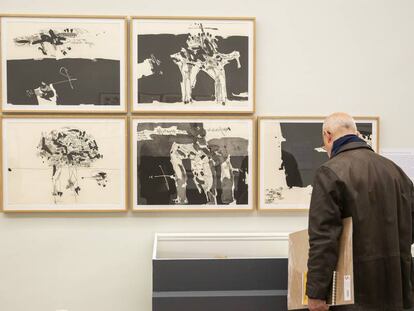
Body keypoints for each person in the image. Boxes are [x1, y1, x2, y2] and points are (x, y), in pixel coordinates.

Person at [306, 112, 414, 311]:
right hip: (397, 292)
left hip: (353, 296)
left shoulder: (330, 172)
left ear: (328, 135)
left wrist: (316, 293)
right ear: (355, 133)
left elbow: (323, 238)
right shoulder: (395, 172)